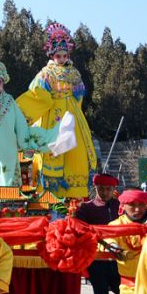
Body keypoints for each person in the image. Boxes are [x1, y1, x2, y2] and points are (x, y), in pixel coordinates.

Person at [16, 21, 98, 199]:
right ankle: (51, 193)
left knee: (76, 150)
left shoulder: (74, 73)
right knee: (53, 148)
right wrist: (46, 101)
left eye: (64, 55)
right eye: (58, 56)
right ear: (52, 56)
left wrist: (76, 97)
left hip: (72, 114)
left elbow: (79, 96)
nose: (61, 59)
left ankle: (74, 194)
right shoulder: (45, 73)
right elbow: (36, 93)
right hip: (53, 114)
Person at [76, 173, 123, 294]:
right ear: (95, 188)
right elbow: (79, 230)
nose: (104, 192)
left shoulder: (120, 207)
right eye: (101, 189)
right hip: (96, 260)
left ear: (114, 190)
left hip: (119, 261)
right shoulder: (86, 208)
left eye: (108, 189)